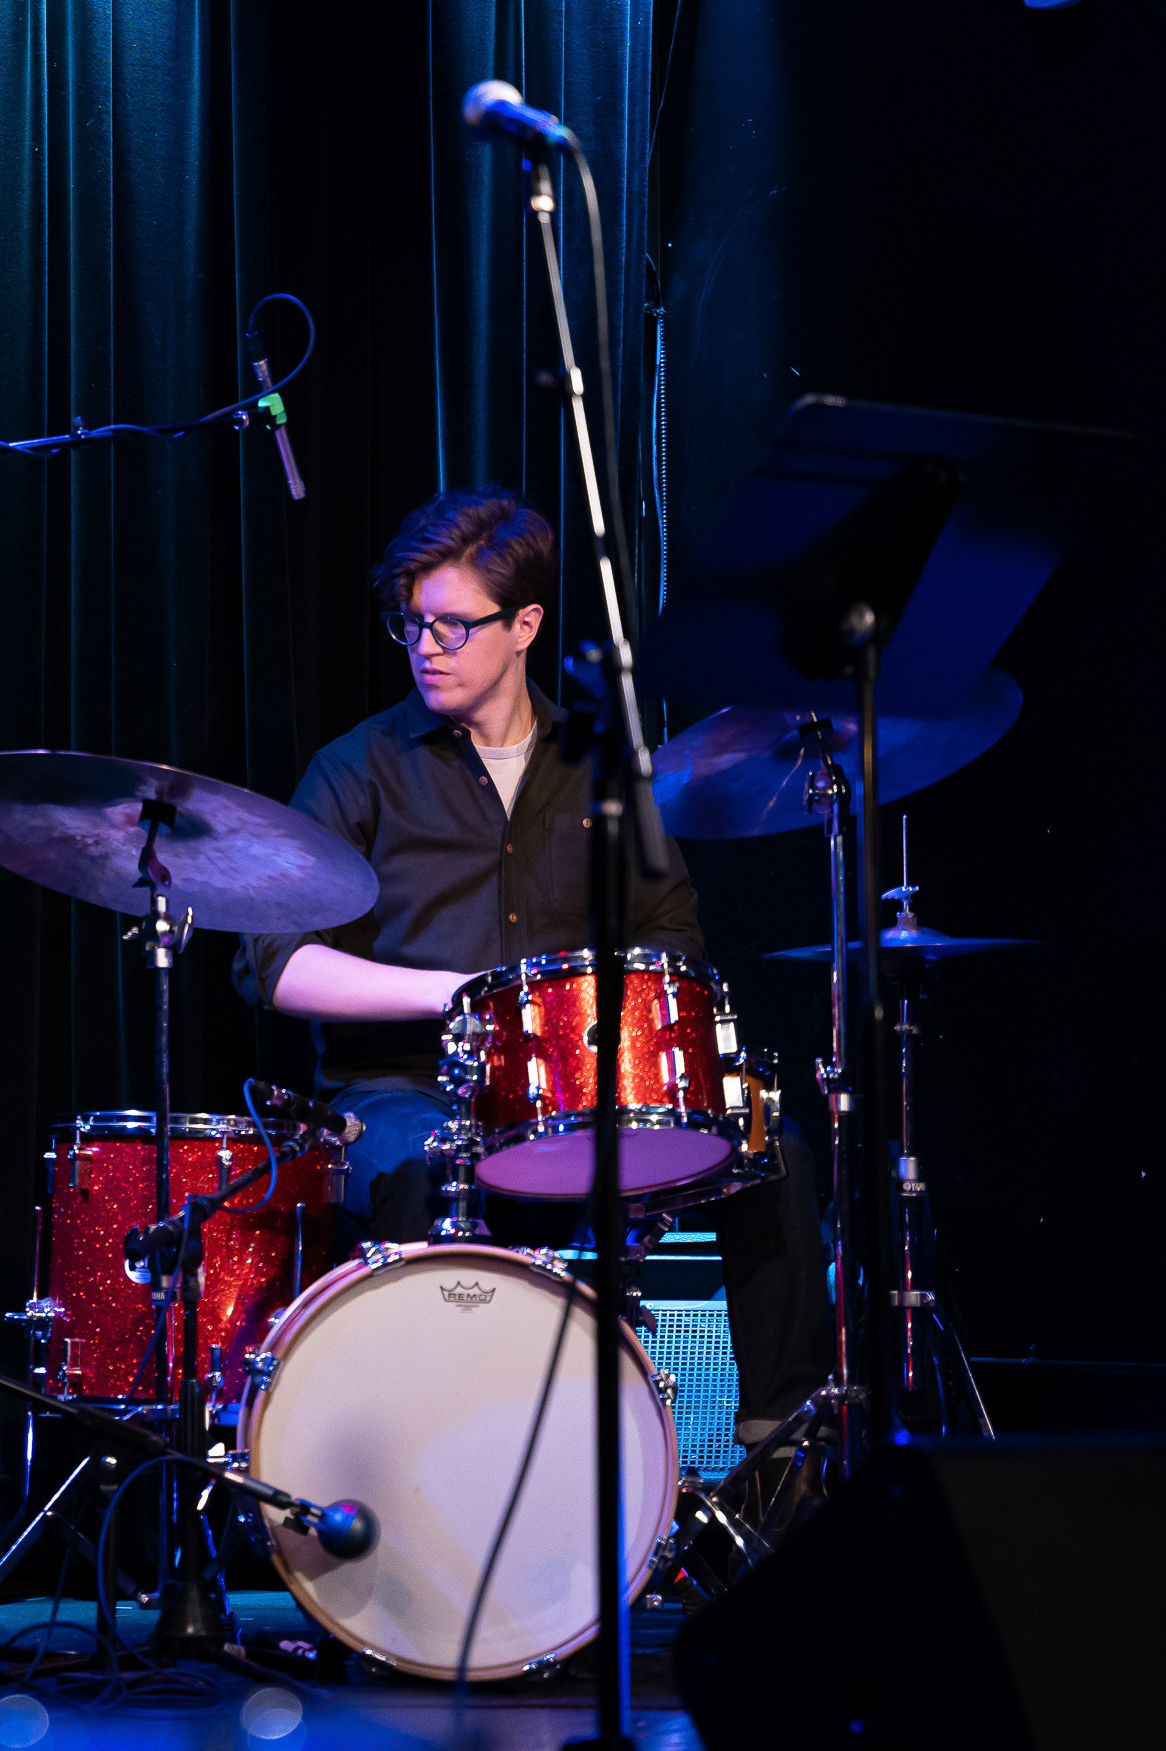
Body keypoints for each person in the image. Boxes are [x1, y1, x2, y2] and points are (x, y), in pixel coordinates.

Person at [233, 486, 832, 1451]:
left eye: (451, 625)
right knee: (419, 1168)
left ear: (524, 626)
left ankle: (782, 1451)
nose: (425, 646)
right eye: (410, 624)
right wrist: (455, 997)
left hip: (580, 1095)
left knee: (777, 1153)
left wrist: (612, 1033)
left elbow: (673, 937)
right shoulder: (357, 768)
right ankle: (431, 1454)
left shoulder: (602, 769)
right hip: (404, 1090)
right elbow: (272, 962)